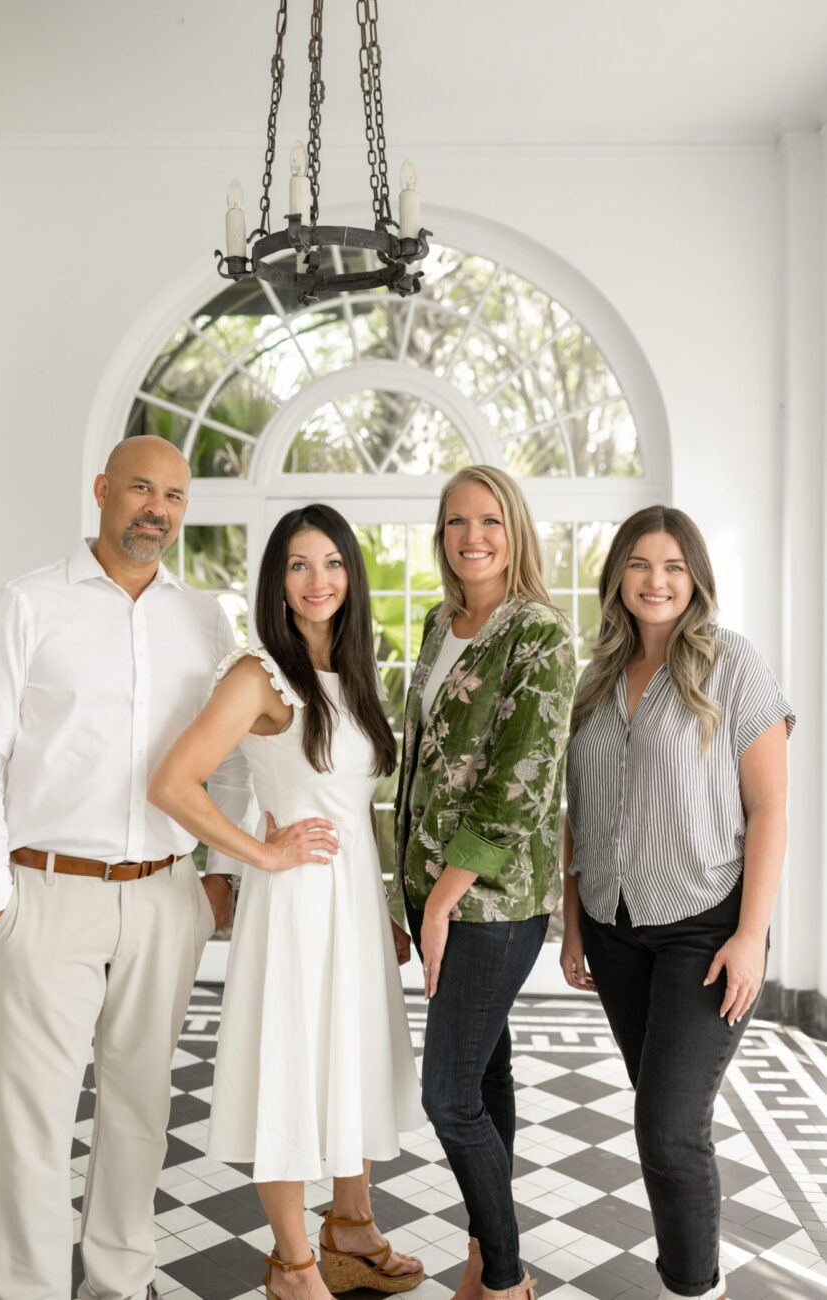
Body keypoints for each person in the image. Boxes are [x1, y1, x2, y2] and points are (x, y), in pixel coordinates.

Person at [0, 435, 268, 1299]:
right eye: (141, 488)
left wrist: (215, 876)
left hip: (167, 897)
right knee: (32, 1115)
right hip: (47, 894)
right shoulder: (27, 606)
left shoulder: (202, 618)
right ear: (101, 490)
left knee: (140, 1108)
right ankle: (25, 1288)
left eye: (174, 496)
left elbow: (232, 755)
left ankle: (119, 1282)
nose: (157, 510)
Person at [149, 503, 425, 1300]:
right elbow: (174, 781)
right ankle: (293, 1265)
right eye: (300, 565)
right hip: (298, 904)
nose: (318, 580)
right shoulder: (258, 675)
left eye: (333, 562)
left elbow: (353, 801)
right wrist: (262, 854)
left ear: (352, 574)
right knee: (295, 1067)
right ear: (277, 579)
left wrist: (381, 906)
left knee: (352, 1057)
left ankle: (352, 1230)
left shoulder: (358, 670)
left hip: (350, 901)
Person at [561, 505, 794, 1300]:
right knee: (666, 1120)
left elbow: (769, 809)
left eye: (671, 566)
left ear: (693, 576)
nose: (654, 581)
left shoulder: (733, 663)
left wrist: (753, 935)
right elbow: (576, 812)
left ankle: (695, 1289)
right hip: (615, 928)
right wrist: (573, 926)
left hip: (707, 925)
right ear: (616, 576)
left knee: (667, 1127)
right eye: (637, 564)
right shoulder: (595, 676)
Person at [388, 465, 576, 1300]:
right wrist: (406, 889)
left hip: (492, 902)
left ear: (516, 529)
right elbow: (418, 767)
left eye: (490, 520)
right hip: (435, 894)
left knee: (448, 1094)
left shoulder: (539, 635)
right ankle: (482, 1253)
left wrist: (437, 900)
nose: (473, 537)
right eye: (457, 522)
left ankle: (505, 1278)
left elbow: (520, 782)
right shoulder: (440, 622)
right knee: (486, 1076)